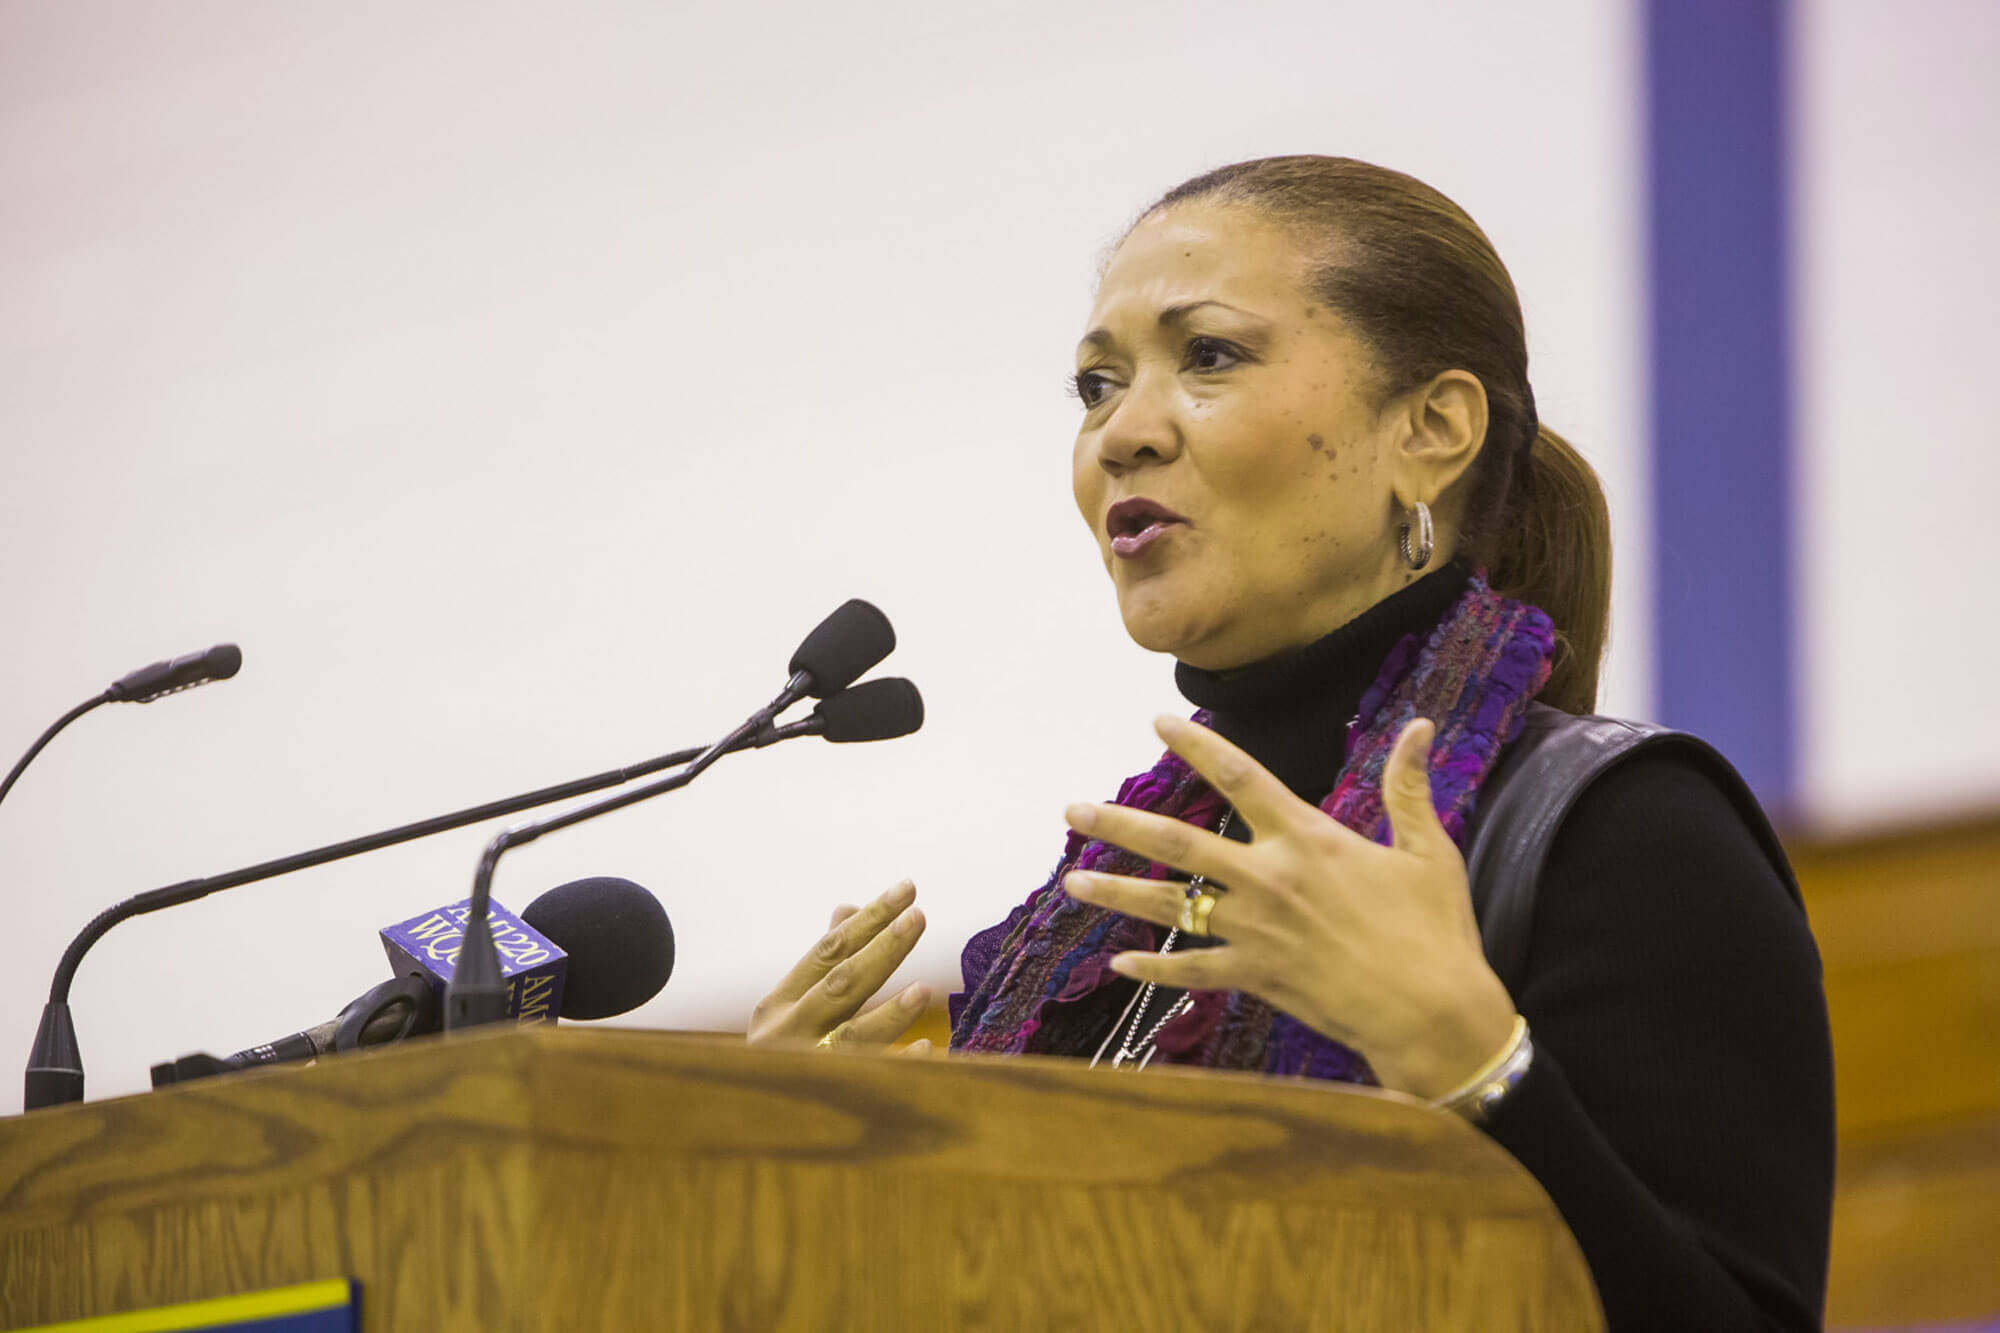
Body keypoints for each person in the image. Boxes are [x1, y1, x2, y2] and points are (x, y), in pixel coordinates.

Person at [746, 156, 1834, 1332]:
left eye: (1206, 356)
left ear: (1430, 429)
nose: (1121, 433)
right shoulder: (1127, 896)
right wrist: (818, 1190)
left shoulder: (1626, 831)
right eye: (1094, 385)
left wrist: (1470, 1062)